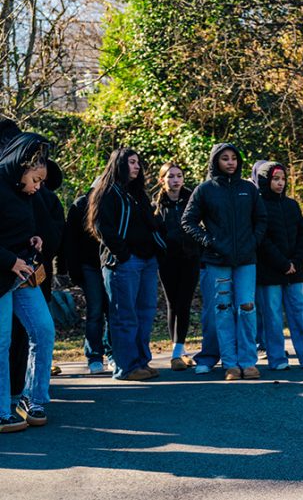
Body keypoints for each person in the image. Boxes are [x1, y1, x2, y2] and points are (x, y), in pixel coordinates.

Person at [182, 144, 267, 380]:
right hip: (217, 261)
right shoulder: (205, 190)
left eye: (233, 158)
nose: (230, 162)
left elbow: (261, 219)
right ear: (215, 162)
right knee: (223, 311)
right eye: (225, 158)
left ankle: (248, 362)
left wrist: (253, 242)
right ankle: (230, 365)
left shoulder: (248, 189)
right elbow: (188, 222)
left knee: (247, 308)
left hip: (246, 261)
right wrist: (210, 242)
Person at [88, 148, 166, 382]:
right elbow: (101, 227)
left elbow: (150, 224)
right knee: (124, 316)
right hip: (123, 262)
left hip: (147, 261)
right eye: (132, 162)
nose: (137, 166)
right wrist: (123, 254)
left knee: (145, 313)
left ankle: (141, 362)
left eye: (138, 162)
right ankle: (126, 367)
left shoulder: (137, 193)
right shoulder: (106, 192)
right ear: (119, 164)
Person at [0, 133, 56, 432]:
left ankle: (32, 399)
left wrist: (33, 239)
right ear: (22, 167)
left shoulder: (23, 192)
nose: (37, 187)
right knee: (1, 341)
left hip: (23, 274)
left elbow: (17, 227)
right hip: (3, 274)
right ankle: (1, 410)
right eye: (35, 179)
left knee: (44, 330)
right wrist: (9, 260)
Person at [252, 161, 303, 371]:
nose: (280, 183)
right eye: (275, 179)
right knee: (272, 316)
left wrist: (296, 261)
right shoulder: (258, 206)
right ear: (265, 181)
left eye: (283, 179)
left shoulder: (291, 205)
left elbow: (302, 234)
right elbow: (262, 240)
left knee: (300, 312)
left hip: (294, 271)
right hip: (270, 271)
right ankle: (277, 358)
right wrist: (282, 263)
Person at [153, 162, 201, 371]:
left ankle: (177, 352)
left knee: (185, 303)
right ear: (162, 180)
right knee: (173, 303)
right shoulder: (155, 205)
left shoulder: (193, 200)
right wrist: (162, 249)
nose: (176, 180)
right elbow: (153, 232)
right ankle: (178, 350)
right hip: (167, 260)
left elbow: (200, 226)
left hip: (190, 258)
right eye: (171, 176)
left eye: (179, 176)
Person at [65, 186, 113, 374]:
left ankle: (112, 353)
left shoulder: (113, 200)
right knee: (95, 310)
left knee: (112, 310)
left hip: (110, 264)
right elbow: (70, 240)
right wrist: (72, 270)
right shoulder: (80, 205)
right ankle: (94, 356)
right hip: (89, 266)